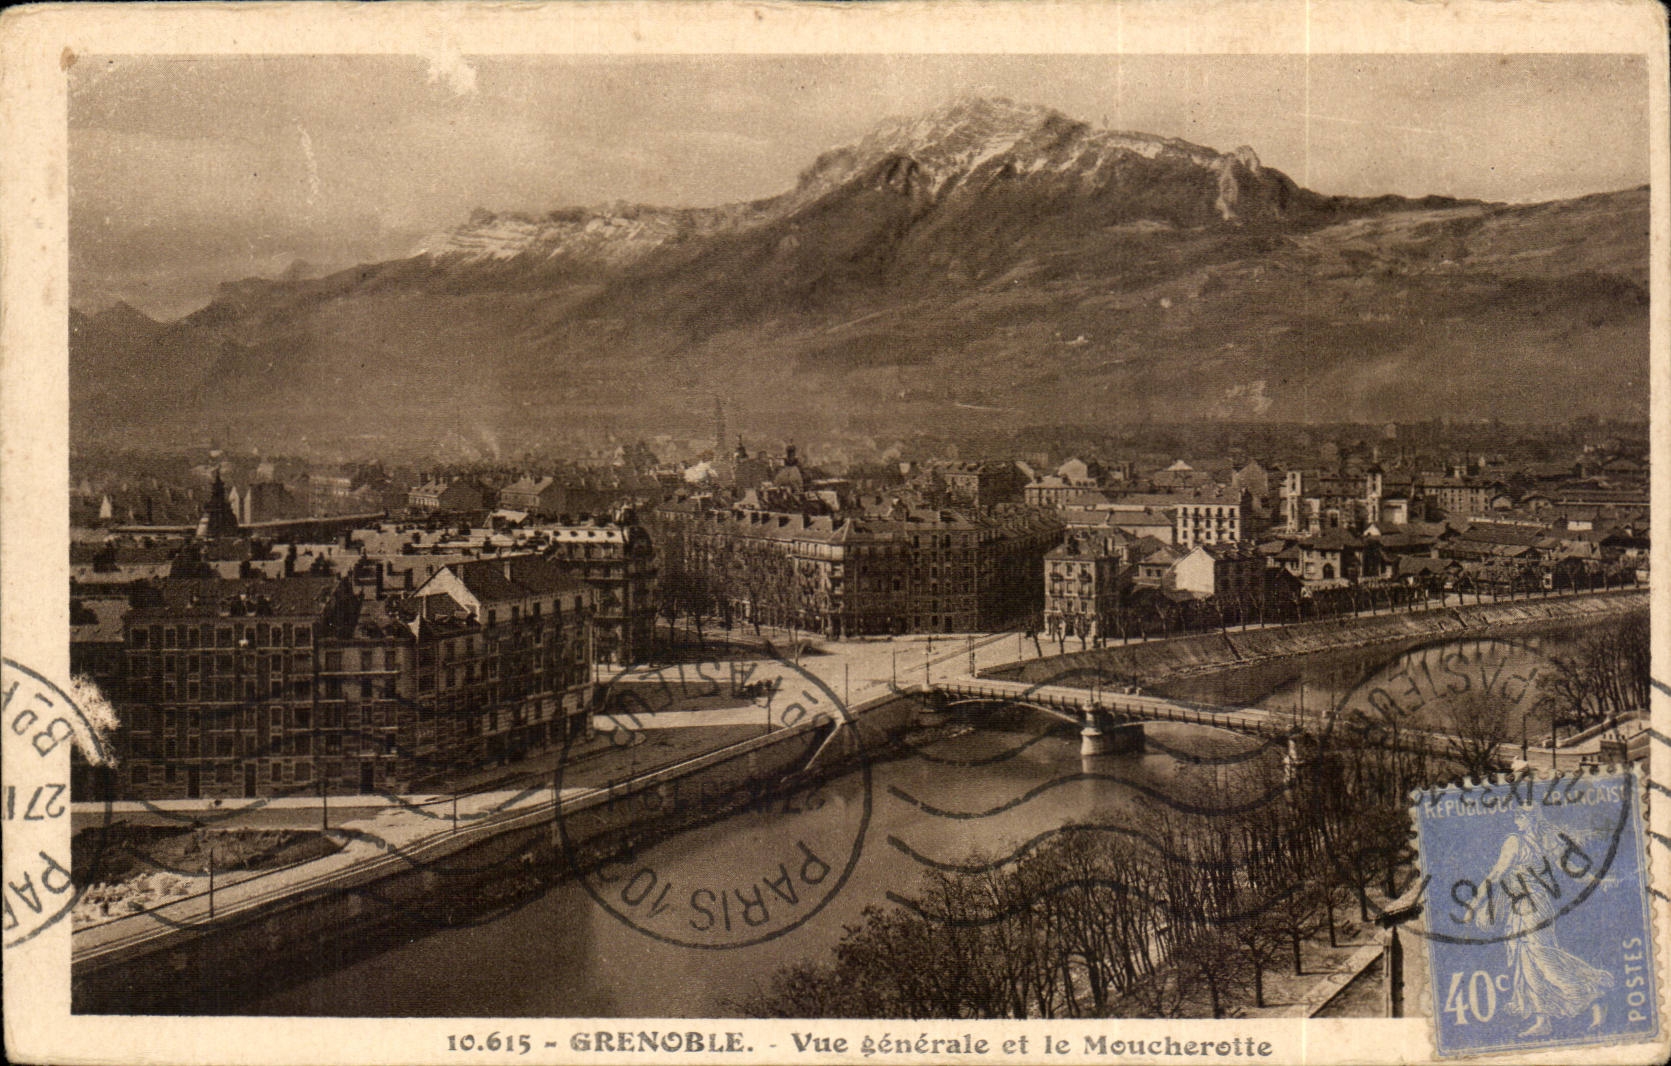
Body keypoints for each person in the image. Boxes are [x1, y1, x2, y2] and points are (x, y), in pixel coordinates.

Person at [1473, 806, 1613, 1036]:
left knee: (1544, 958)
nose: (1516, 818)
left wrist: (1474, 904)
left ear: (1530, 819)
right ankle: (1542, 1020)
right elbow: (1573, 868)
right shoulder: (1540, 843)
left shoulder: (1516, 842)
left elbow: (1497, 874)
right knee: (1527, 962)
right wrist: (1595, 879)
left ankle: (1594, 994)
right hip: (1523, 908)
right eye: (1517, 815)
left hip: (1533, 908)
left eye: (1521, 815)